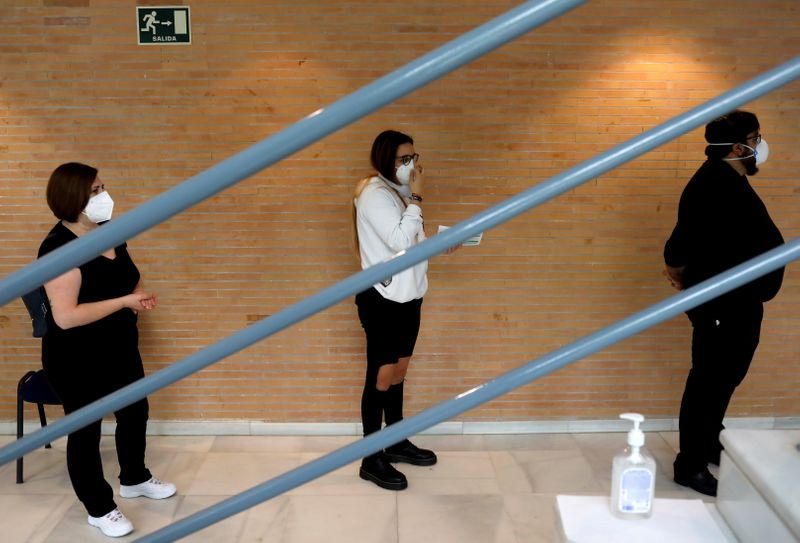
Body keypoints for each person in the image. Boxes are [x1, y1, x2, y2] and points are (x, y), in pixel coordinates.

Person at [38, 162, 176, 537]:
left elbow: (128, 274)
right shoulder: (57, 249)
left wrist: (138, 293)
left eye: (103, 187)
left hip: (119, 346)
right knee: (86, 430)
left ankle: (134, 477)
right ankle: (100, 508)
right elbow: (65, 317)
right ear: (74, 198)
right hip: (76, 357)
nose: (104, 196)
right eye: (96, 190)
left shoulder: (109, 232)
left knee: (135, 412)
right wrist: (124, 301)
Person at [663, 111, 784, 497]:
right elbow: (677, 247)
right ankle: (690, 465)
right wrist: (685, 281)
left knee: (726, 376)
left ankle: (710, 442)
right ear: (738, 147)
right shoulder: (711, 184)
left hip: (740, 300)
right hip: (721, 304)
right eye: (756, 137)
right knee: (708, 381)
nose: (760, 144)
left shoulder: (731, 179)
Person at [352, 130, 455, 490]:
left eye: (413, 156)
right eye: (403, 159)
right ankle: (371, 457)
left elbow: (409, 239)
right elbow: (397, 240)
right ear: (385, 159)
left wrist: (441, 242)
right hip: (382, 299)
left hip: (410, 295)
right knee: (380, 376)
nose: (411, 164)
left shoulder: (398, 195)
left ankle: (394, 440)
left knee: (398, 372)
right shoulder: (374, 194)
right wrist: (417, 195)